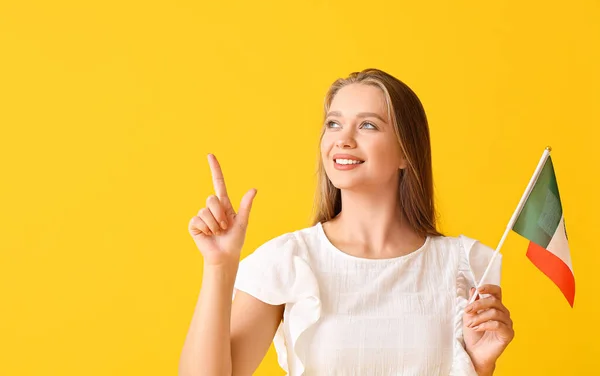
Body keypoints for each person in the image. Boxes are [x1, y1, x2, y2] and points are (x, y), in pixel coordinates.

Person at [179, 68, 515, 376]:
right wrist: (219, 266)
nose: (343, 139)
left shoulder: (463, 264)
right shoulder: (291, 259)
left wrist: (480, 364)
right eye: (333, 124)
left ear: (404, 152)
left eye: (367, 125)